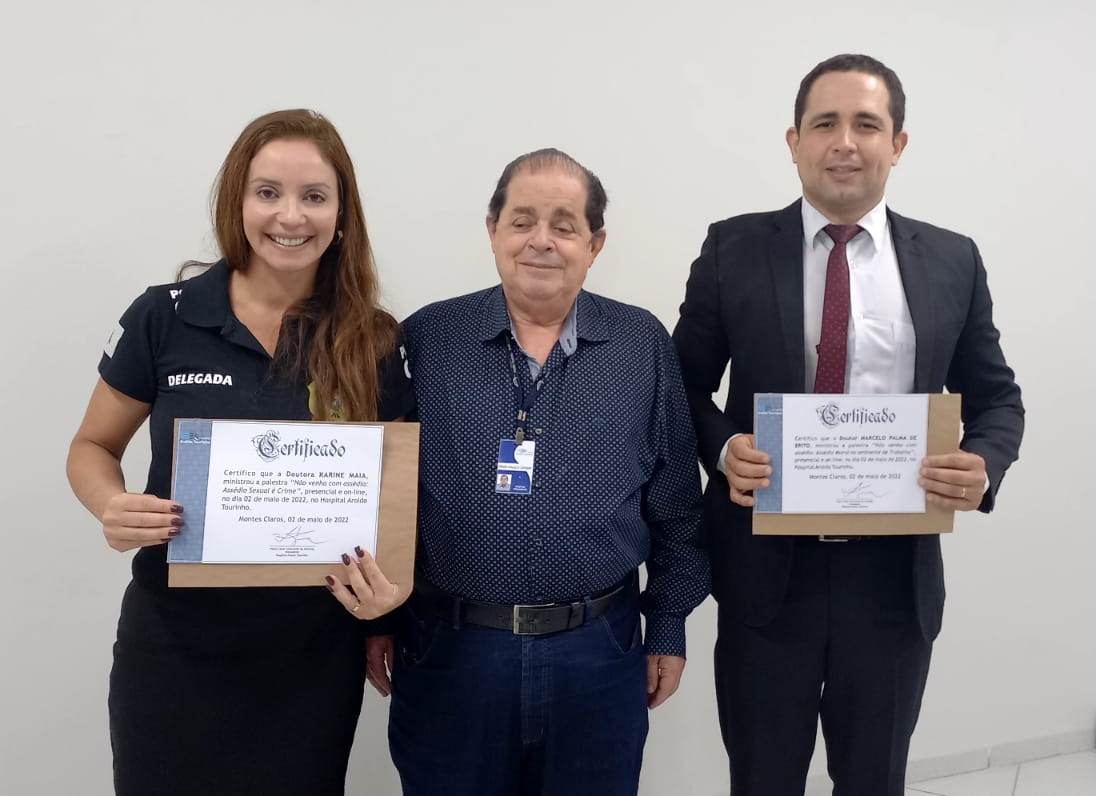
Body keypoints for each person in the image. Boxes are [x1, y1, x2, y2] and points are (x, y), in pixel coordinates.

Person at [672, 55, 1024, 795]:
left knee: (874, 780)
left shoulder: (952, 260)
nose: (844, 142)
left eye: (866, 124)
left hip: (893, 580)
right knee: (763, 778)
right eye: (824, 123)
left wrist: (983, 464)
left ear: (897, 144)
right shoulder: (733, 249)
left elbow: (998, 399)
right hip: (767, 574)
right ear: (794, 140)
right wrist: (725, 448)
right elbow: (680, 387)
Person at [66, 109, 411, 796]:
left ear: (342, 214)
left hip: (310, 653)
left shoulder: (372, 338)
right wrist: (110, 504)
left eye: (315, 196)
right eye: (268, 192)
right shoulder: (163, 316)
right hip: (174, 646)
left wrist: (388, 605)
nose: (291, 216)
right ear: (237, 202)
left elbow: (396, 501)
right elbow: (92, 446)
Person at [366, 148, 710, 796]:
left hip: (598, 656)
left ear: (595, 243)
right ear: (492, 230)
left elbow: (677, 506)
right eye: (522, 221)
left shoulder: (641, 345)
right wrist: (376, 622)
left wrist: (667, 623)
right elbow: (380, 491)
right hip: (451, 654)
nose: (541, 241)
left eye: (564, 225)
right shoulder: (426, 340)